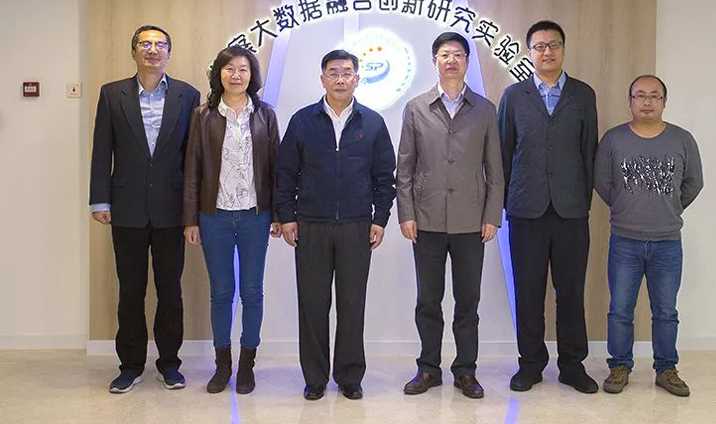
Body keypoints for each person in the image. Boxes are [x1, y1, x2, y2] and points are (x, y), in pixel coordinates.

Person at [274, 49, 396, 401]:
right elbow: (285, 172)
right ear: (322, 79)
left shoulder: (372, 122)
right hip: (311, 224)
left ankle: (349, 376)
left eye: (346, 72)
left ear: (357, 78)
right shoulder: (303, 120)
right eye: (333, 72)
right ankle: (314, 378)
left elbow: (384, 176)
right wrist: (287, 216)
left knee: (352, 304)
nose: (340, 78)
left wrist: (380, 219)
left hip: (357, 225)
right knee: (312, 304)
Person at [89, 25, 201, 393]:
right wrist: (100, 199)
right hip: (127, 208)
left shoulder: (188, 95)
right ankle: (131, 365)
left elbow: (192, 157)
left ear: (169, 52)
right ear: (134, 51)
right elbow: (102, 149)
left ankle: (169, 364)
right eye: (145, 43)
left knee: (170, 290)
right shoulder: (112, 94)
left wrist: (193, 209)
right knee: (130, 290)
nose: (152, 50)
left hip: (172, 209)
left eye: (159, 44)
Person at [397, 32, 504, 399]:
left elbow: (495, 168)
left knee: (467, 302)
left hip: (471, 221)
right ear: (434, 62)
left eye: (458, 54)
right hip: (425, 219)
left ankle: (466, 370)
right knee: (428, 300)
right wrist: (406, 213)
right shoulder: (416, 108)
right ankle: (428, 368)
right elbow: (405, 167)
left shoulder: (485, 109)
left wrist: (492, 215)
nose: (452, 60)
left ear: (467, 62)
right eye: (445, 54)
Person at [497, 20, 599, 393]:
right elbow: (504, 153)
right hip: (526, 210)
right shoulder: (513, 96)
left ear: (563, 49)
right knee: (528, 292)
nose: (547, 52)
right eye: (539, 46)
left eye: (553, 45)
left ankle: (572, 365)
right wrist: (509, 202)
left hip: (571, 211)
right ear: (529, 53)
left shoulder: (583, 95)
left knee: (571, 291)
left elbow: (589, 152)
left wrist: (582, 200)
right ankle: (530, 365)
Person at [595, 75, 703, 397]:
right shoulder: (613, 140)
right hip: (624, 240)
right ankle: (619, 366)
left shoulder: (682, 139)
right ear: (630, 101)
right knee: (620, 309)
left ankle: (666, 369)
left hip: (667, 242)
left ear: (664, 102)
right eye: (640, 95)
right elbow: (602, 182)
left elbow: (694, 183)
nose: (647, 102)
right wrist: (625, 208)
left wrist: (669, 209)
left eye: (655, 96)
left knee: (666, 312)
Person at [183, 45, 281, 394]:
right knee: (222, 291)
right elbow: (192, 169)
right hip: (214, 216)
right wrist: (191, 219)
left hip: (256, 215)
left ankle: (246, 365)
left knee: (252, 291)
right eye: (229, 69)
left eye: (242, 69)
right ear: (219, 74)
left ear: (251, 75)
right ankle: (222, 364)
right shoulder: (203, 115)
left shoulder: (265, 115)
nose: (236, 75)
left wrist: (279, 214)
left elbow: (277, 168)